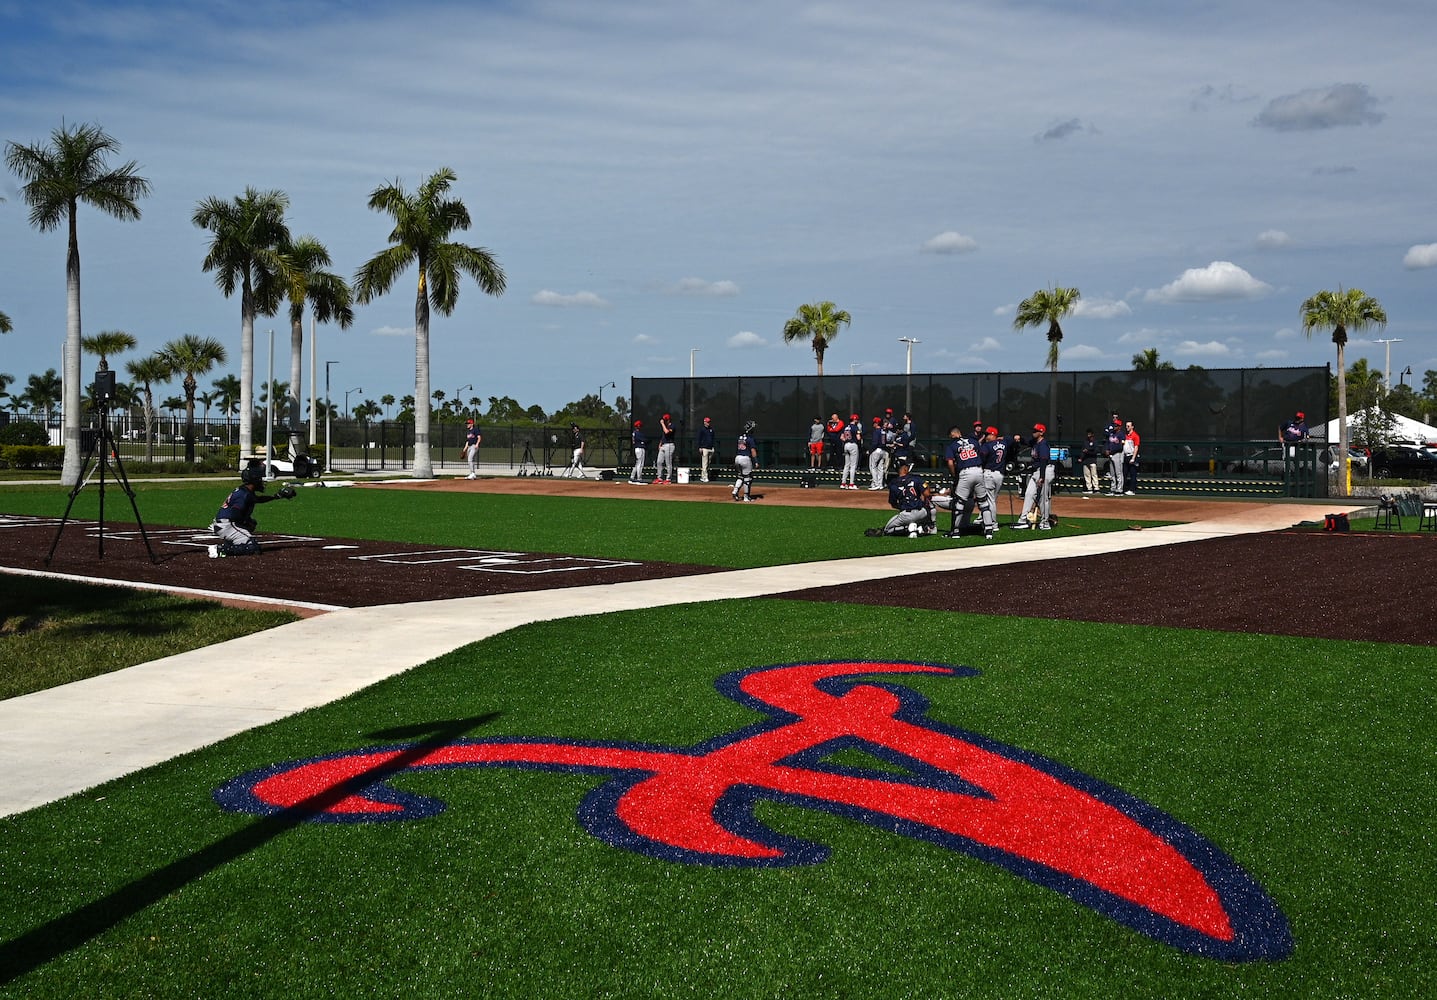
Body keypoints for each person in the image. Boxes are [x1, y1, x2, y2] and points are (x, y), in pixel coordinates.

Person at [208, 465, 296, 558]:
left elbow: (257, 499)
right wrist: (246, 522)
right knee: (252, 547)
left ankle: (231, 543)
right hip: (227, 524)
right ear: (253, 480)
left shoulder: (244, 490)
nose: (261, 481)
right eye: (259, 479)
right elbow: (235, 512)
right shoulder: (243, 495)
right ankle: (220, 550)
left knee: (250, 525)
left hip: (225, 524)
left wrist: (276, 496)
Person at [866, 457, 936, 537]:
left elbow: (893, 503)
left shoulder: (893, 484)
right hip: (922, 513)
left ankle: (909, 528)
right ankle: (930, 526)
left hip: (906, 515)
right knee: (930, 502)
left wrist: (902, 506)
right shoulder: (916, 478)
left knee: (887, 530)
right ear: (905, 468)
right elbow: (927, 494)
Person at [941, 425, 985, 537]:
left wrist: (954, 475)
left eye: (951, 436)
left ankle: (955, 531)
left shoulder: (952, 445)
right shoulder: (973, 441)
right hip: (979, 470)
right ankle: (989, 529)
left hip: (965, 473)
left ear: (954, 434)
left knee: (959, 503)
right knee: (984, 503)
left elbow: (950, 463)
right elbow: (982, 454)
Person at [1015, 423, 1054, 530]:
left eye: (1036, 431)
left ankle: (1045, 523)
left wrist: (1042, 477)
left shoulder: (1043, 444)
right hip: (1036, 471)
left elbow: (1043, 461)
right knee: (1028, 494)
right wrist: (1020, 438)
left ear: (1041, 433)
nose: (1033, 432)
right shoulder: (1035, 443)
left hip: (1045, 470)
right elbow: (1026, 441)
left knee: (1043, 499)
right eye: (1033, 430)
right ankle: (1023, 519)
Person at [975, 426, 1007, 537]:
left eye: (988, 434)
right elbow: (1012, 440)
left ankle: (993, 523)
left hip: (989, 473)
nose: (986, 436)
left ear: (993, 434)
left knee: (989, 500)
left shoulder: (987, 445)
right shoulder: (1004, 444)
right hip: (1000, 474)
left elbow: (981, 457)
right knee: (992, 499)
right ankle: (983, 518)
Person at [733, 419, 759, 502]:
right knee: (748, 478)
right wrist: (756, 461)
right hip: (745, 458)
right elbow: (753, 451)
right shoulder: (750, 439)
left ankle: (735, 491)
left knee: (740, 476)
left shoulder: (740, 437)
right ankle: (746, 497)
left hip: (737, 457)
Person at [1103, 410, 1125, 496]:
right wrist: (1107, 450)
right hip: (1111, 454)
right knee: (1112, 473)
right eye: (1115, 425)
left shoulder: (1121, 434)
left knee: (1118, 473)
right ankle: (1113, 488)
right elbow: (1108, 443)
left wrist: (1111, 451)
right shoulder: (1112, 434)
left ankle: (1119, 490)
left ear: (1119, 426)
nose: (1115, 426)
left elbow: (1120, 446)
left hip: (1117, 454)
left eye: (1117, 425)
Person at [839, 412, 861, 489]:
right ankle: (851, 484)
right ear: (855, 420)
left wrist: (846, 439)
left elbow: (841, 437)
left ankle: (843, 483)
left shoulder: (845, 427)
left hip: (846, 445)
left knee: (846, 465)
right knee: (853, 465)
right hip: (853, 445)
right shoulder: (855, 427)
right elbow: (858, 438)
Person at [867, 416, 889, 490]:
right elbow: (885, 442)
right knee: (880, 468)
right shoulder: (883, 431)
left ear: (876, 423)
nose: (873, 424)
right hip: (883, 450)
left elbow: (875, 443)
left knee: (873, 467)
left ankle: (875, 484)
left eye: (874, 423)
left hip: (876, 450)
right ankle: (880, 484)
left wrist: (870, 450)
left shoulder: (876, 431)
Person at [653, 412, 675, 484]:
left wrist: (662, 424)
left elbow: (666, 432)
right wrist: (660, 444)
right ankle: (659, 478)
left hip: (669, 445)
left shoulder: (672, 426)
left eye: (665, 420)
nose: (664, 421)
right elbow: (663, 436)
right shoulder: (665, 426)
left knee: (668, 463)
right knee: (659, 461)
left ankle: (668, 479)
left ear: (668, 420)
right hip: (663, 445)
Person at [1122, 420, 1141, 495]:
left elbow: (1136, 447)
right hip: (1125, 456)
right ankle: (1124, 489)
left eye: (1128, 426)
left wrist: (1133, 458)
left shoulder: (1135, 436)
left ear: (1132, 427)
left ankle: (1132, 490)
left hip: (1131, 456)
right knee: (1124, 473)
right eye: (1126, 426)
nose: (1127, 427)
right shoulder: (1125, 436)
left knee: (1133, 474)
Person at [1080, 428, 1100, 494]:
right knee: (1087, 475)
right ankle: (1089, 488)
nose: (1089, 435)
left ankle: (1096, 488)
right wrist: (1081, 458)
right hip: (1086, 461)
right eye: (1088, 433)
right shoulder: (1085, 441)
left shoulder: (1095, 442)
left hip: (1092, 461)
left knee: (1094, 475)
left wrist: (1088, 451)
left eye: (1090, 434)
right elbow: (1082, 451)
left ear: (1092, 434)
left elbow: (1096, 451)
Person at [697, 416, 716, 482]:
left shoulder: (711, 429)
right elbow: (699, 439)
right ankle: (705, 477)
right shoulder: (702, 429)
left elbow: (713, 438)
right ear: (704, 422)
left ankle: (703, 476)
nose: (708, 423)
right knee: (704, 463)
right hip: (704, 448)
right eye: (707, 422)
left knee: (708, 463)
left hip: (710, 448)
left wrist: (713, 447)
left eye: (709, 422)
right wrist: (700, 447)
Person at [628, 419, 647, 484]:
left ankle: (632, 477)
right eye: (640, 426)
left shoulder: (635, 433)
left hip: (637, 448)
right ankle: (639, 478)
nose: (640, 427)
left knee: (637, 463)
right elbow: (644, 439)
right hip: (639, 448)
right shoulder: (637, 433)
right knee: (640, 463)